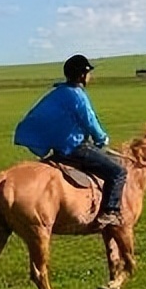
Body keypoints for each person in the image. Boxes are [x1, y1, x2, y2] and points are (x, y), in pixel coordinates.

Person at [14, 54, 127, 228]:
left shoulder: (58, 92)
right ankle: (110, 212)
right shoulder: (77, 95)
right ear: (83, 75)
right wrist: (101, 139)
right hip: (74, 148)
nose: (90, 77)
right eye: (88, 73)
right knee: (118, 171)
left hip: (58, 150)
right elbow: (89, 120)